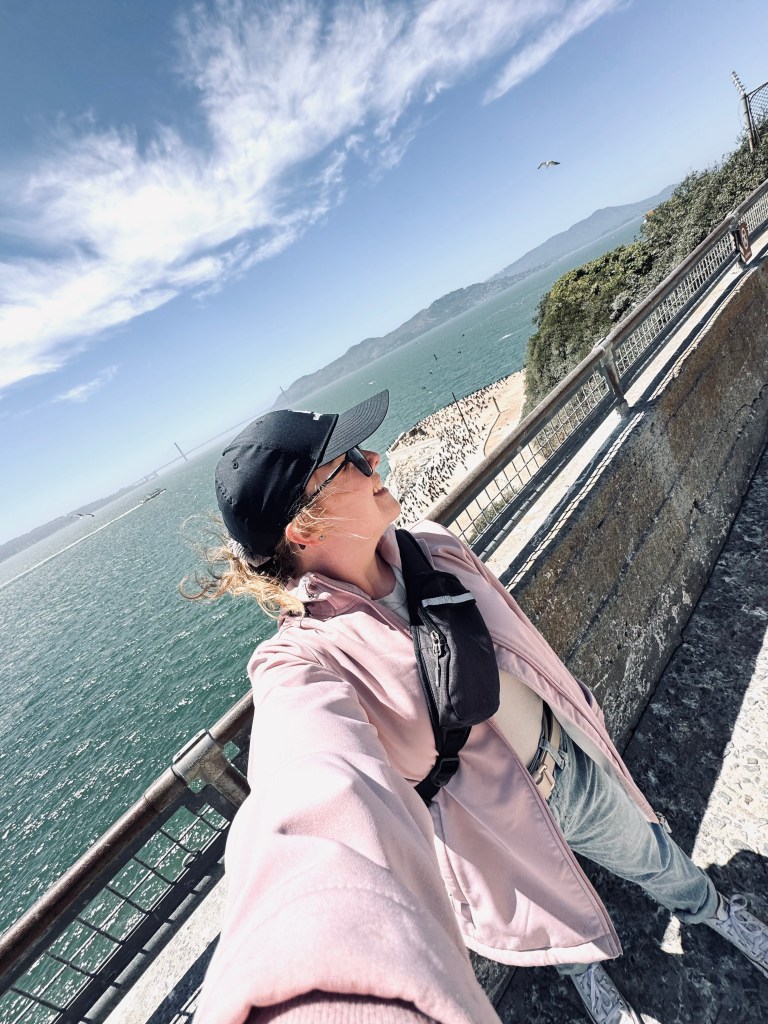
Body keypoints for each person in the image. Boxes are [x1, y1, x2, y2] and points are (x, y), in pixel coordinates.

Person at [188, 390, 768, 1024]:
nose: (375, 456)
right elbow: (304, 796)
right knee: (549, 923)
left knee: (653, 854)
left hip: (564, 764)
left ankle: (711, 908)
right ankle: (587, 980)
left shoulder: (433, 547)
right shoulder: (302, 663)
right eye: (349, 458)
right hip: (485, 828)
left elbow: (523, 645)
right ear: (304, 526)